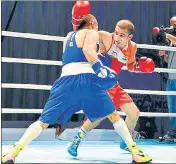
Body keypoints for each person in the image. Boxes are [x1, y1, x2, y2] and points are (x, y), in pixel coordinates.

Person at [1, 3, 151, 164]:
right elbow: (88, 49)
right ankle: (135, 153)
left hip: (66, 80)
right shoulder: (96, 34)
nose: (117, 36)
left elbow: (71, 56)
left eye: (122, 35)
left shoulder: (68, 37)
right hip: (91, 78)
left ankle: (13, 152)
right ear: (93, 24)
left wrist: (137, 66)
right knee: (113, 116)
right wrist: (99, 68)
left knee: (42, 122)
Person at [68, 19, 155, 156]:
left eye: (122, 35)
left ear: (129, 37)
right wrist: (77, 23)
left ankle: (125, 142)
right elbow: (87, 36)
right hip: (100, 83)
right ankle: (76, 140)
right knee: (99, 116)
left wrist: (140, 67)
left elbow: (131, 66)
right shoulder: (106, 38)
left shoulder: (132, 47)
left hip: (114, 84)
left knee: (134, 113)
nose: (117, 37)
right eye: (116, 33)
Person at [158, 16, 176, 142]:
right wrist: (164, 54)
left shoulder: (172, 38)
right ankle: (174, 133)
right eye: (171, 24)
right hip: (170, 77)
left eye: (174, 24)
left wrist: (169, 37)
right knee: (172, 108)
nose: (173, 27)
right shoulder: (170, 40)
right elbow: (167, 60)